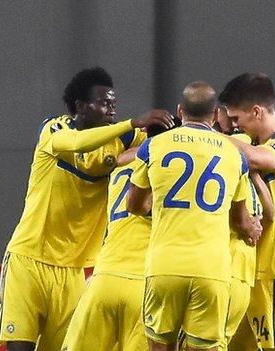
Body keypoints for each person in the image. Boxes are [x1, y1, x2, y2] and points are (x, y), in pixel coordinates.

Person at [0, 67, 174, 351]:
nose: (111, 111)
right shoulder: (55, 129)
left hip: (73, 270)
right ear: (80, 106)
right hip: (29, 258)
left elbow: (161, 147)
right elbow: (75, 143)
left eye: (114, 105)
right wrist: (131, 124)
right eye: (103, 104)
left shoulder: (120, 141)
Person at [127, 81, 261, 351]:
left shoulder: (153, 147)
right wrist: (252, 229)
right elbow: (240, 220)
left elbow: (134, 205)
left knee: (159, 346)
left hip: (165, 265)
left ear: (180, 110)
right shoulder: (236, 157)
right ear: (214, 116)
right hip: (212, 269)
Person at [61, 117, 180, 351]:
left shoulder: (120, 165)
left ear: (145, 132)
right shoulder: (169, 170)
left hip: (102, 281)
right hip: (143, 284)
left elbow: (124, 157)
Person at [219, 72, 275, 351]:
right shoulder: (252, 144)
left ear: (256, 112)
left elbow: (254, 157)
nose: (234, 126)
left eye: (236, 119)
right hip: (248, 272)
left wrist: (202, 133)